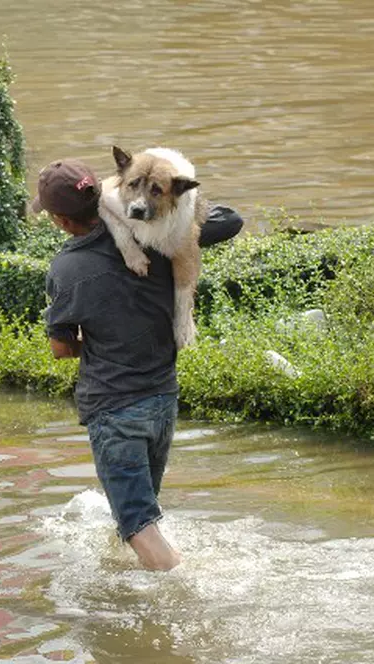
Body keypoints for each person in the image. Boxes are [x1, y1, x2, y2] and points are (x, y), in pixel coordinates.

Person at [33, 158, 243, 571]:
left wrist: (90, 342)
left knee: (138, 524)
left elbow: (60, 348)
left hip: (114, 410)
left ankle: (187, 589)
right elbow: (230, 220)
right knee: (140, 511)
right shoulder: (159, 235)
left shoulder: (67, 269)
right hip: (162, 400)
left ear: (59, 220)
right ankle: (128, 574)